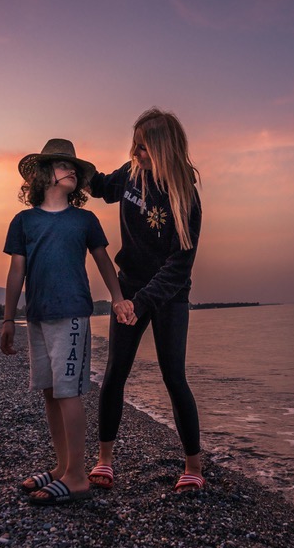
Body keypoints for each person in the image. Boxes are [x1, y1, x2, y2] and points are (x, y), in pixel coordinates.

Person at [0, 138, 131, 506]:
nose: (71, 170)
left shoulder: (84, 220)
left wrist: (118, 298)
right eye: (62, 165)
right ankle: (62, 466)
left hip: (72, 313)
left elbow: (104, 261)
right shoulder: (24, 221)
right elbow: (16, 272)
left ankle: (77, 475)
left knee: (68, 392)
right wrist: (9, 317)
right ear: (43, 175)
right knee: (49, 391)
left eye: (74, 166)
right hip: (37, 316)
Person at [88, 108, 206, 493]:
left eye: (142, 147)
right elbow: (102, 186)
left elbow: (178, 266)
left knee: (174, 377)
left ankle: (193, 465)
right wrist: (74, 167)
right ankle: (104, 460)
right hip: (129, 289)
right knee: (115, 374)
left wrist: (141, 303)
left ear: (162, 148)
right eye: (134, 145)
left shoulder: (185, 197)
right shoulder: (130, 174)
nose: (135, 152)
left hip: (169, 297)